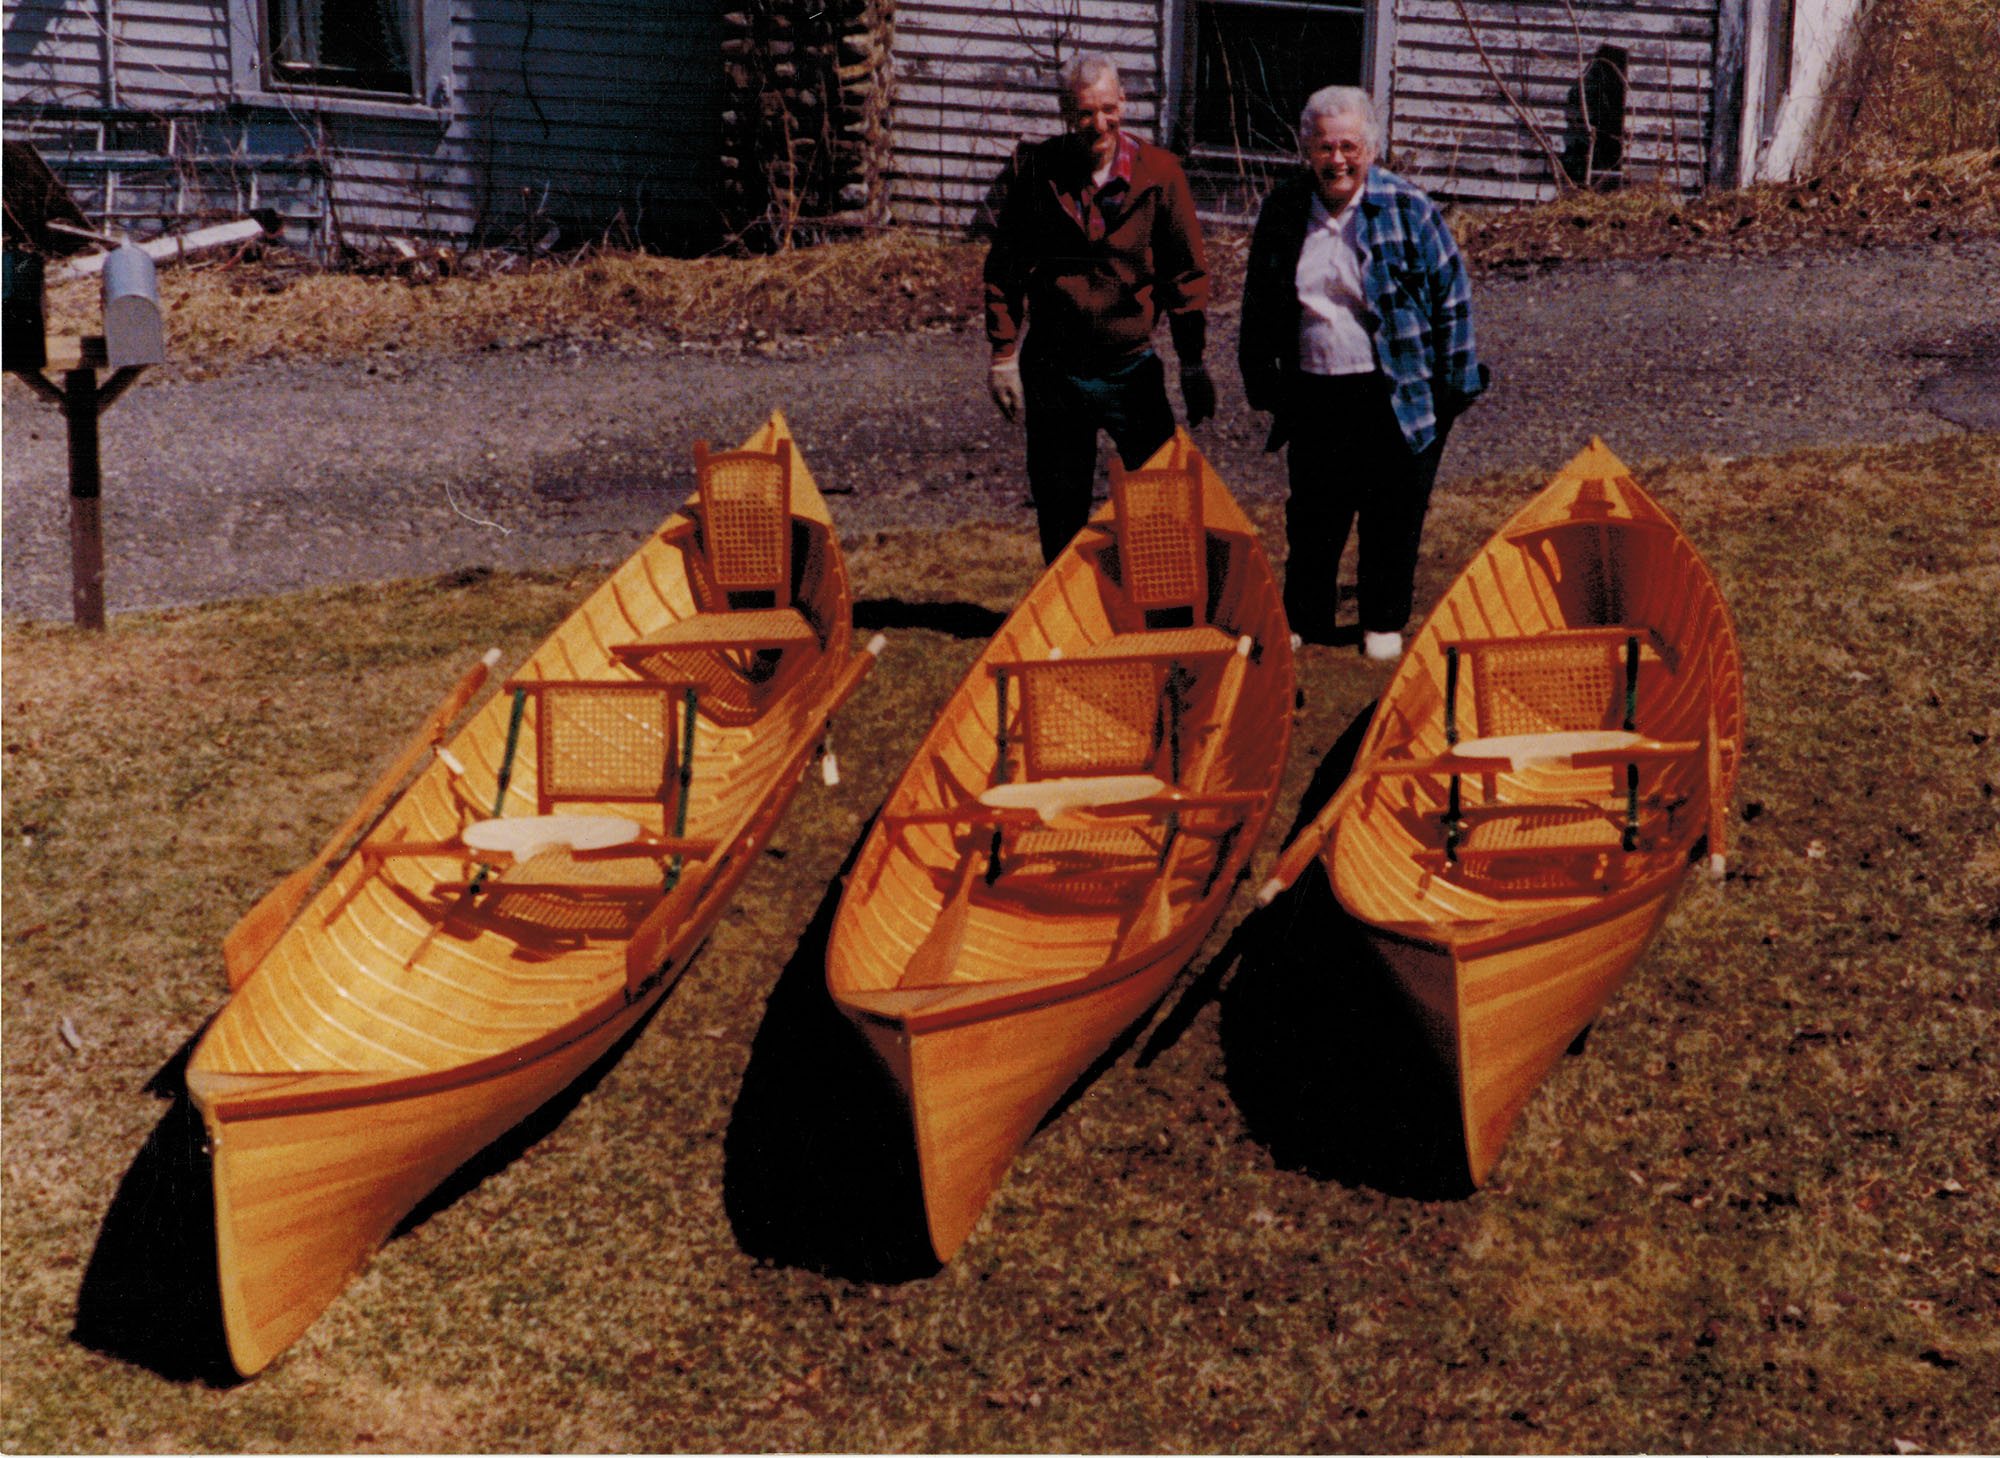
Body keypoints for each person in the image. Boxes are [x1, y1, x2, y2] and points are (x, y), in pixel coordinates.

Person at [1238, 85, 1488, 660]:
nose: (1337, 160)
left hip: (1392, 391)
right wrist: (1261, 378)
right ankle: (1304, 617)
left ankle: (1382, 620)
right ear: (1306, 150)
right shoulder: (1284, 210)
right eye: (1325, 147)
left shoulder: (1409, 209)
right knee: (1313, 514)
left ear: (1371, 150)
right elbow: (1259, 303)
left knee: (1392, 514)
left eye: (1349, 146)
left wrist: (1453, 388)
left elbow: (1453, 296)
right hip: (1315, 389)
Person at [983, 52, 1216, 564]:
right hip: (1054, 370)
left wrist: (1193, 362)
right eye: (1085, 112)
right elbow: (1005, 268)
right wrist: (1003, 354)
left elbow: (1185, 274)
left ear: (1124, 104)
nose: (1098, 124)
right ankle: (1067, 620)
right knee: (1060, 506)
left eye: (1108, 109)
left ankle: (1165, 606)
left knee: (1161, 495)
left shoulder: (1160, 174)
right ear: (1066, 112)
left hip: (1129, 367)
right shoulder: (1036, 172)